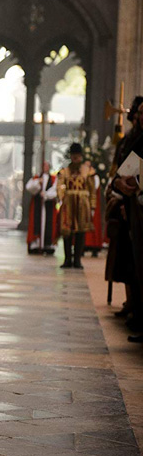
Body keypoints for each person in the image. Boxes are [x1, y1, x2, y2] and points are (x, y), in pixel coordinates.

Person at [106, 97, 143, 321]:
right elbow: (122, 170)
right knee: (130, 259)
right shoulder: (133, 139)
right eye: (138, 113)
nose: (138, 118)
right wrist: (118, 185)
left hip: (137, 202)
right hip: (130, 204)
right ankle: (134, 304)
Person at [57, 142, 96, 269]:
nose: (75, 158)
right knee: (67, 231)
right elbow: (60, 185)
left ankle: (77, 259)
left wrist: (92, 206)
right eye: (73, 156)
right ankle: (68, 259)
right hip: (69, 204)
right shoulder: (64, 172)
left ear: (81, 156)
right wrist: (62, 197)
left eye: (77, 156)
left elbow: (92, 190)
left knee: (81, 231)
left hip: (82, 205)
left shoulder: (88, 171)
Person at [26, 161, 58, 254]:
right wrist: (38, 183)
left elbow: (55, 190)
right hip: (37, 204)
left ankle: (47, 244)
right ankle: (36, 243)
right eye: (43, 165)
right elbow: (29, 187)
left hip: (49, 205)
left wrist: (47, 195)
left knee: (49, 223)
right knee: (36, 223)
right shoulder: (36, 178)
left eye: (47, 166)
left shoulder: (53, 178)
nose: (45, 167)